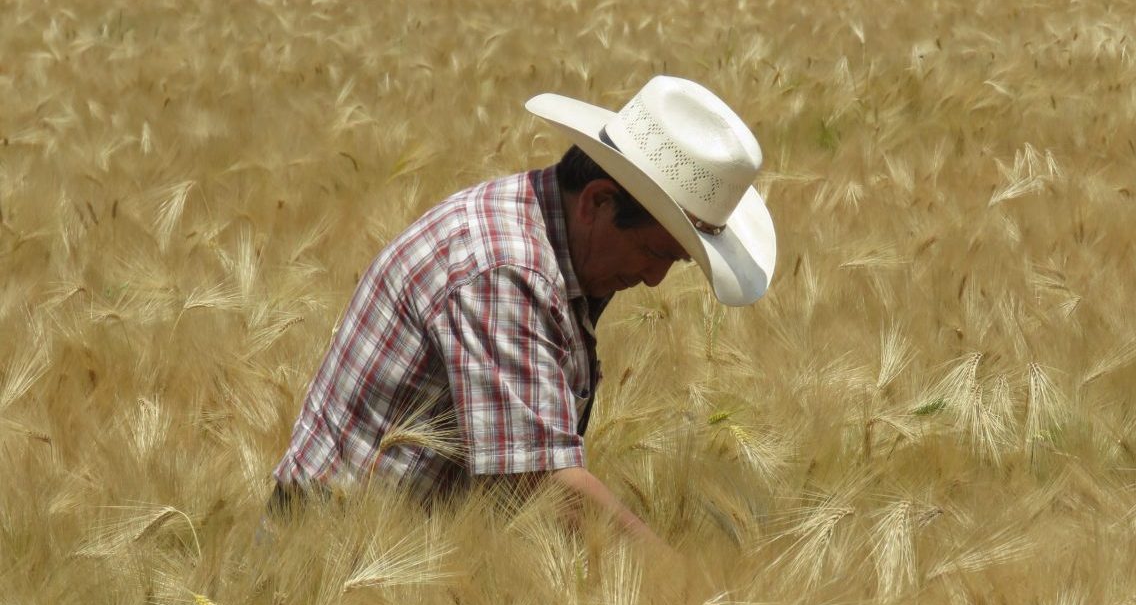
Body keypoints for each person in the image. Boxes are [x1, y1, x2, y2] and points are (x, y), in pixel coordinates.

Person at [268, 75, 776, 546]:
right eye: (656, 252)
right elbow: (542, 487)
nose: (654, 279)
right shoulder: (505, 270)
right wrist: (684, 592)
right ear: (597, 201)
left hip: (398, 554)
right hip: (328, 553)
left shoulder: (559, 241)